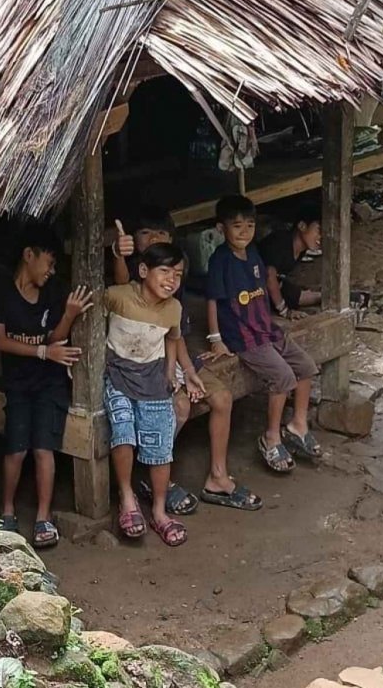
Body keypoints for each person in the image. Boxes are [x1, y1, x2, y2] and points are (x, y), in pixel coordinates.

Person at [111, 209, 260, 512]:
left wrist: (188, 371)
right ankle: (154, 477)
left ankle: (217, 477)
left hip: (175, 356)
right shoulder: (127, 283)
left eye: (161, 234)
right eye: (145, 234)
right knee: (179, 406)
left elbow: (174, 335)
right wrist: (117, 252)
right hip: (143, 365)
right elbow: (122, 282)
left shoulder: (172, 283)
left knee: (221, 396)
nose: (154, 239)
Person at [0, 225, 92, 548]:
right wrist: (43, 352)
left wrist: (69, 315)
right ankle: (7, 512)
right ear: (29, 255)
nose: (51, 270)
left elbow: (57, 339)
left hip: (49, 383)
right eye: (49, 262)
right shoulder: (0, 293)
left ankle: (44, 517)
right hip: (17, 382)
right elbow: (0, 341)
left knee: (44, 448)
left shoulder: (54, 292)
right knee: (16, 449)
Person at [206, 195, 321, 474]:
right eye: (237, 227)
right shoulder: (220, 261)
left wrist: (279, 313)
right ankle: (271, 437)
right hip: (243, 336)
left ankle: (298, 425)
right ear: (222, 229)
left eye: (249, 225)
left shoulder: (254, 255)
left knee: (306, 366)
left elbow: (261, 292)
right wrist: (216, 339)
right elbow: (211, 301)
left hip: (265, 328)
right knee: (282, 376)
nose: (244, 232)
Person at [102, 241, 188, 546]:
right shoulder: (119, 296)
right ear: (143, 271)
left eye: (177, 274)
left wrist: (170, 372)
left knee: (160, 446)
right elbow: (91, 315)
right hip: (118, 377)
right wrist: (117, 254)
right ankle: (127, 498)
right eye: (164, 271)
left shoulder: (173, 309)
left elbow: (173, 339)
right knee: (123, 432)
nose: (171, 280)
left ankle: (160, 512)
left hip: (153, 382)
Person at [260, 207, 323, 318]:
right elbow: (269, 275)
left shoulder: (301, 250)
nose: (321, 237)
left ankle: (327, 296)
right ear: (302, 226)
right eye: (318, 230)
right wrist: (285, 311)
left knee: (294, 294)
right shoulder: (281, 242)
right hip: (253, 287)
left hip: (273, 285)